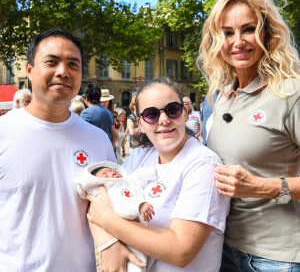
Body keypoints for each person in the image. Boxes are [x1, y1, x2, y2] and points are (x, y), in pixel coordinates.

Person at [0, 29, 122, 271]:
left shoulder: (98, 140)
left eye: (73, 64)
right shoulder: (4, 132)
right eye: (51, 62)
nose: (63, 71)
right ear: (29, 69)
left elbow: (110, 207)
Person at [198, 0, 300, 271]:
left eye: (249, 29)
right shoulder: (221, 96)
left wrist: (262, 187)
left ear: (267, 33)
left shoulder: (291, 92)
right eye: (228, 32)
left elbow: (254, 184)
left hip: (277, 258)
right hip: (225, 250)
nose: (238, 42)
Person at [87, 77, 230, 271]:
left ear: (185, 113)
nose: (164, 120)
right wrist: (108, 243)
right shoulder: (140, 156)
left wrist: (108, 220)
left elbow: (181, 251)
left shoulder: (203, 163)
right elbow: (94, 201)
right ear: (141, 124)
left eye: (172, 110)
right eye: (152, 114)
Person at [75, 161, 157, 272]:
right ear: (100, 181)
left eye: (112, 171)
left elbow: (138, 175)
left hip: (142, 235)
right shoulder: (109, 194)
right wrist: (139, 207)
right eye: (106, 175)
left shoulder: (126, 182)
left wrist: (155, 171)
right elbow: (118, 209)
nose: (112, 174)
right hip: (124, 239)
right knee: (136, 264)